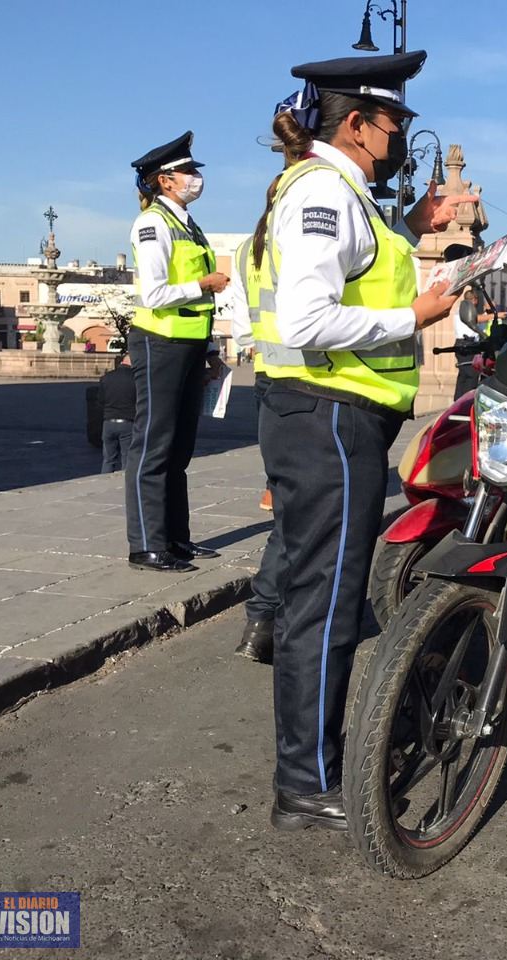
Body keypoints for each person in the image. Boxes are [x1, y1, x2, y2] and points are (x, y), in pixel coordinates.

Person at [252, 51, 477, 831]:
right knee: (327, 605)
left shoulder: (338, 190)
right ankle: (305, 784)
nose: (402, 137)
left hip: (328, 416)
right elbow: (309, 320)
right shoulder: (323, 193)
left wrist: (413, 226)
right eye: (395, 124)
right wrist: (412, 318)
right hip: (328, 417)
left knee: (321, 593)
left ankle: (307, 763)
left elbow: (355, 271)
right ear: (357, 124)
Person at [125, 131, 229, 573]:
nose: (195, 177)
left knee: (180, 447)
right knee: (153, 444)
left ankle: (177, 539)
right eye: (188, 171)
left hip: (188, 343)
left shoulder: (186, 224)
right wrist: (204, 284)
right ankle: (147, 545)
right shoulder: (153, 224)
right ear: (164, 180)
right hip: (160, 341)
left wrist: (209, 350)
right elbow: (154, 293)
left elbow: (198, 304)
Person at [227, 236, 279, 663]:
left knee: (291, 510)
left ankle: (261, 621)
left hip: (269, 369)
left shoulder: (247, 247)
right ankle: (269, 619)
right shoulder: (317, 224)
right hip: (319, 379)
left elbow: (243, 326)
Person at [98, 353, 135, 474]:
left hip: (108, 422)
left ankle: (104, 482)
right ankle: (123, 485)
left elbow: (100, 400)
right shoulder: (135, 379)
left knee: (108, 459)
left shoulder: (106, 377)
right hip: (127, 422)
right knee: (126, 458)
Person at [451, 285, 487, 399]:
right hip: (465, 344)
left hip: (470, 344)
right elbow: (477, 319)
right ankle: (466, 400)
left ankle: (459, 399)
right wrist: (495, 315)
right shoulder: (463, 310)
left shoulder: (467, 310)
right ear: (474, 300)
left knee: (465, 374)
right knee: (471, 373)